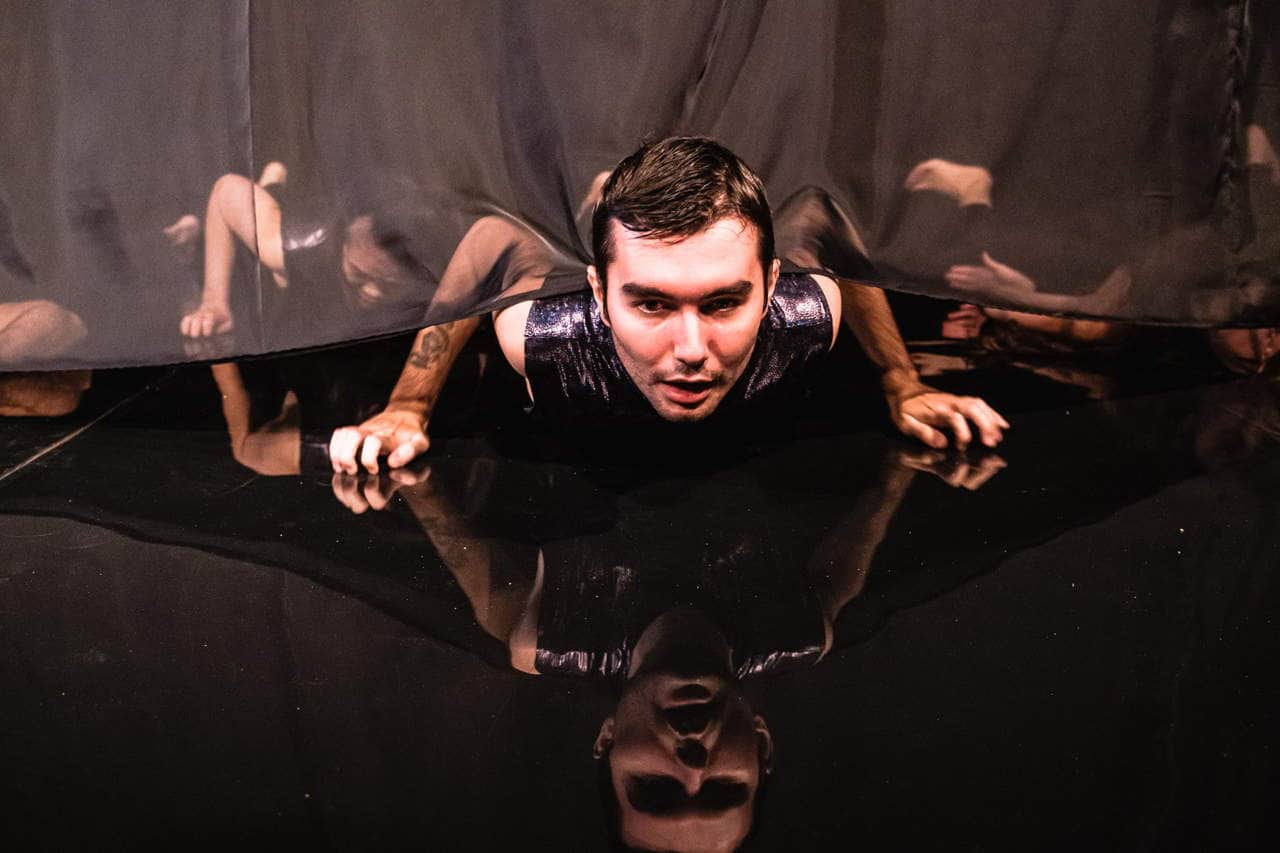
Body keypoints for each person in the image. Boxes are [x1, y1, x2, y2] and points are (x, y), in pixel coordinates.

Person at [329, 137, 1009, 473]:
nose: (690, 351)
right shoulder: (550, 339)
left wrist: (902, 383)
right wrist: (409, 403)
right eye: (652, 304)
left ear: (772, 286)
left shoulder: (803, 319)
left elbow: (822, 216)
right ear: (598, 296)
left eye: (724, 303)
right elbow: (493, 239)